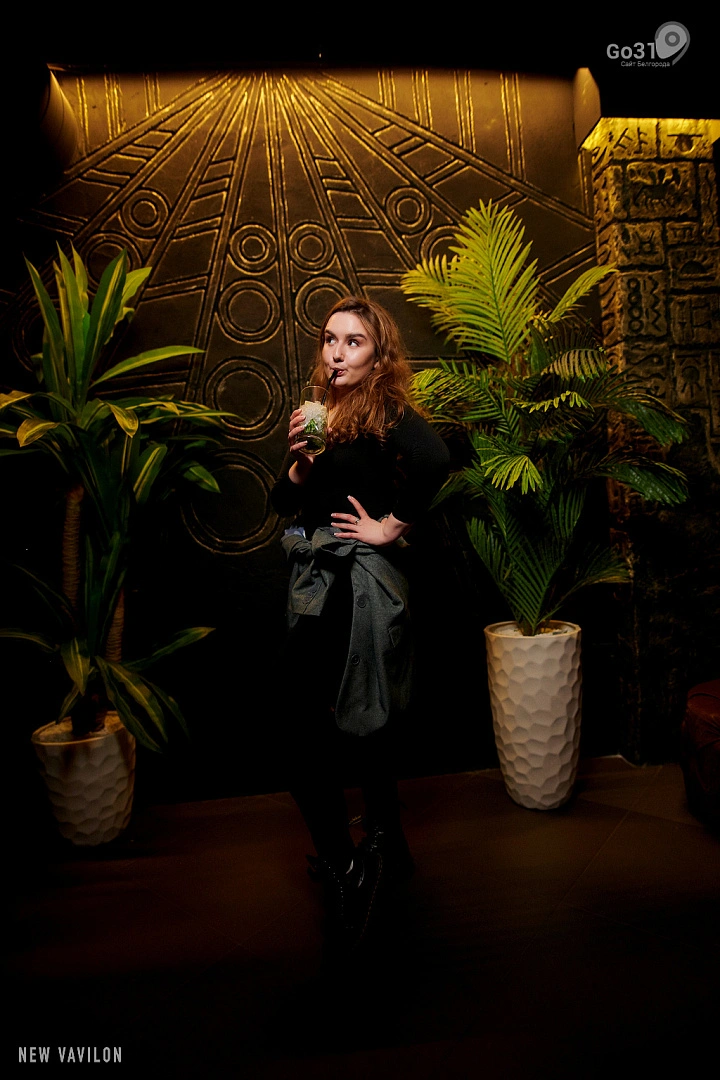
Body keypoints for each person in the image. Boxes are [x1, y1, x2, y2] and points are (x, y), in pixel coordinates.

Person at [271, 295, 449, 949]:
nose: (337, 352)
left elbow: (434, 461)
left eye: (354, 342)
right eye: (330, 339)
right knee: (352, 716)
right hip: (318, 582)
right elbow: (284, 503)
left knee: (309, 722)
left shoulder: (384, 410)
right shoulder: (322, 413)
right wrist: (299, 464)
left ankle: (346, 867)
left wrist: (389, 526)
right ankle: (387, 844)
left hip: (356, 585)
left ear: (378, 356)